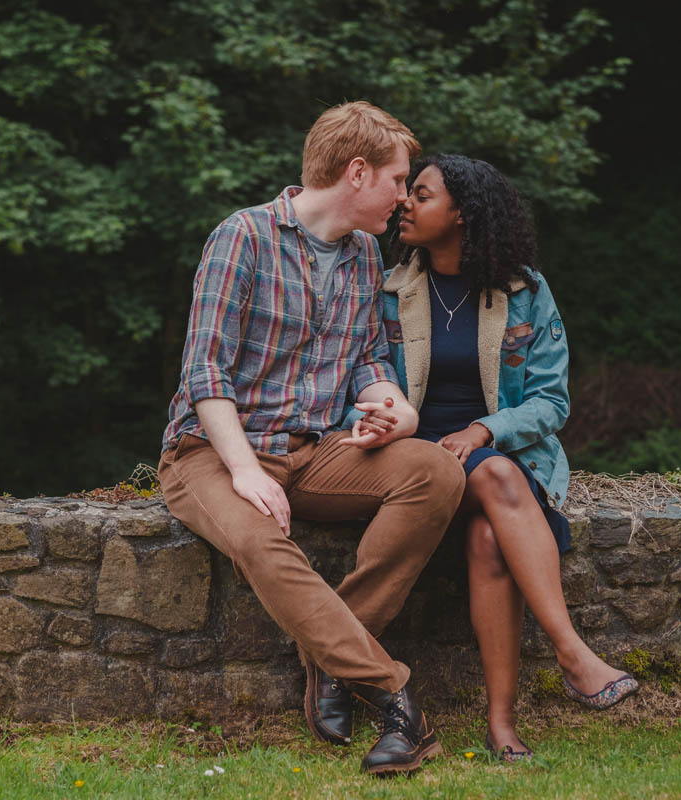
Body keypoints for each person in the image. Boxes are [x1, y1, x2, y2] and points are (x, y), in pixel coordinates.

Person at [158, 102, 467, 777]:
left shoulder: (361, 254)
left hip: (316, 448)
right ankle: (393, 694)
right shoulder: (242, 237)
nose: (402, 197)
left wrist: (391, 409)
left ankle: (329, 663)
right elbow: (204, 370)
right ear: (357, 174)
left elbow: (366, 360)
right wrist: (243, 470)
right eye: (396, 179)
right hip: (212, 451)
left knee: (435, 473)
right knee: (261, 536)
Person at [351, 154, 639, 762]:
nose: (404, 202)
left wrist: (483, 430)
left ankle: (502, 726)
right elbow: (363, 380)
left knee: (490, 531)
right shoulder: (386, 291)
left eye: (421, 194)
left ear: (461, 214)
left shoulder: (524, 292)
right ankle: (572, 654)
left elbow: (551, 402)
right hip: (414, 466)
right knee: (496, 481)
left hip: (502, 460)